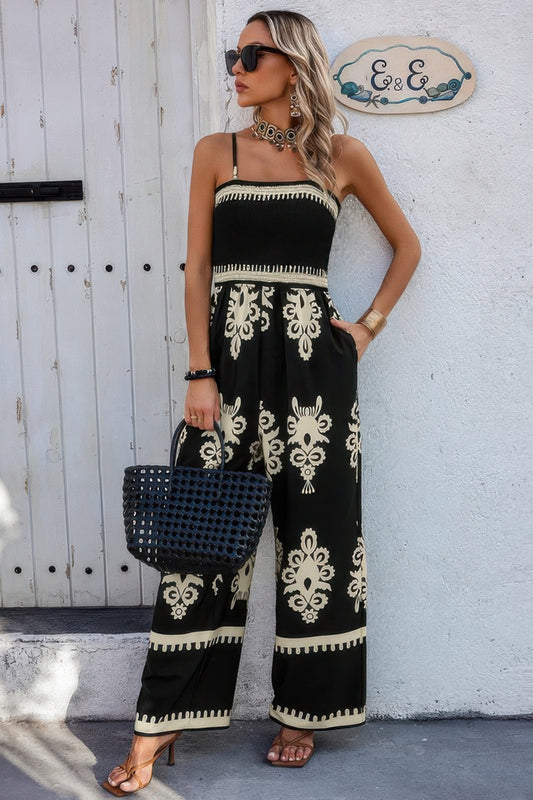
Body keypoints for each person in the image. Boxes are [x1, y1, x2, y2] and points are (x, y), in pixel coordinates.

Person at [103, 9, 420, 796]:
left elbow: (406, 245)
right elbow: (196, 269)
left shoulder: (342, 155)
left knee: (319, 542)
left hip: (316, 374)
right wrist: (198, 372)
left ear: (294, 64)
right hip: (227, 369)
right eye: (232, 55)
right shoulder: (218, 151)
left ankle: (301, 715)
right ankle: (159, 720)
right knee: (200, 538)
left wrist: (368, 327)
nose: (236, 69)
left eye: (252, 54)